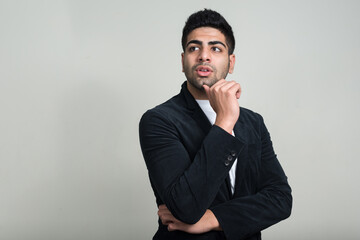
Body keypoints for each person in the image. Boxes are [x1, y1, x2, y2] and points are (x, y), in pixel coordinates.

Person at [139, 9, 292, 240]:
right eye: (194, 48)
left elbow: (280, 199)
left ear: (231, 62)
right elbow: (186, 206)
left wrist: (213, 219)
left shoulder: (253, 122)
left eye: (215, 48)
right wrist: (225, 121)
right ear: (183, 61)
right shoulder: (159, 120)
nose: (204, 56)